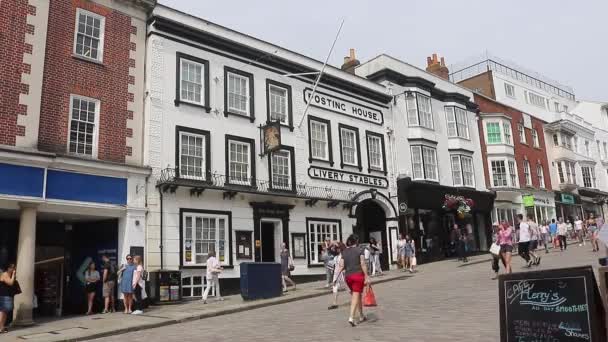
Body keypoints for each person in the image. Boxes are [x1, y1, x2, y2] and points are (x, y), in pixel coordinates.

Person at [333, 234, 370, 327]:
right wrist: (367, 276)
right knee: (355, 296)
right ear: (356, 241)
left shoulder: (344, 252)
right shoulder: (360, 250)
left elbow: (341, 266)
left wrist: (336, 278)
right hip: (358, 276)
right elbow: (363, 263)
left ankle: (361, 315)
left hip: (348, 277)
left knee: (357, 295)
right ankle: (351, 317)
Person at [328, 242, 346, 310]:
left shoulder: (343, 255)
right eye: (336, 248)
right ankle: (334, 303)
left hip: (342, 273)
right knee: (335, 287)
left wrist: (336, 243)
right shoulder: (336, 255)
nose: (336, 249)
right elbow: (329, 250)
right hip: (336, 273)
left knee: (349, 288)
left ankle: (357, 298)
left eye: (337, 248)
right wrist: (332, 244)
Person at [0, 263, 17, 333]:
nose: (14, 269)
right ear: (8, 268)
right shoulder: (4, 274)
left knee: (5, 312)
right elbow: (10, 283)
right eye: (12, 267)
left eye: (14, 267)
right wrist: (13, 275)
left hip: (7, 295)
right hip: (4, 296)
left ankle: (2, 327)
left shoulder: (8, 274)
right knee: (2, 312)